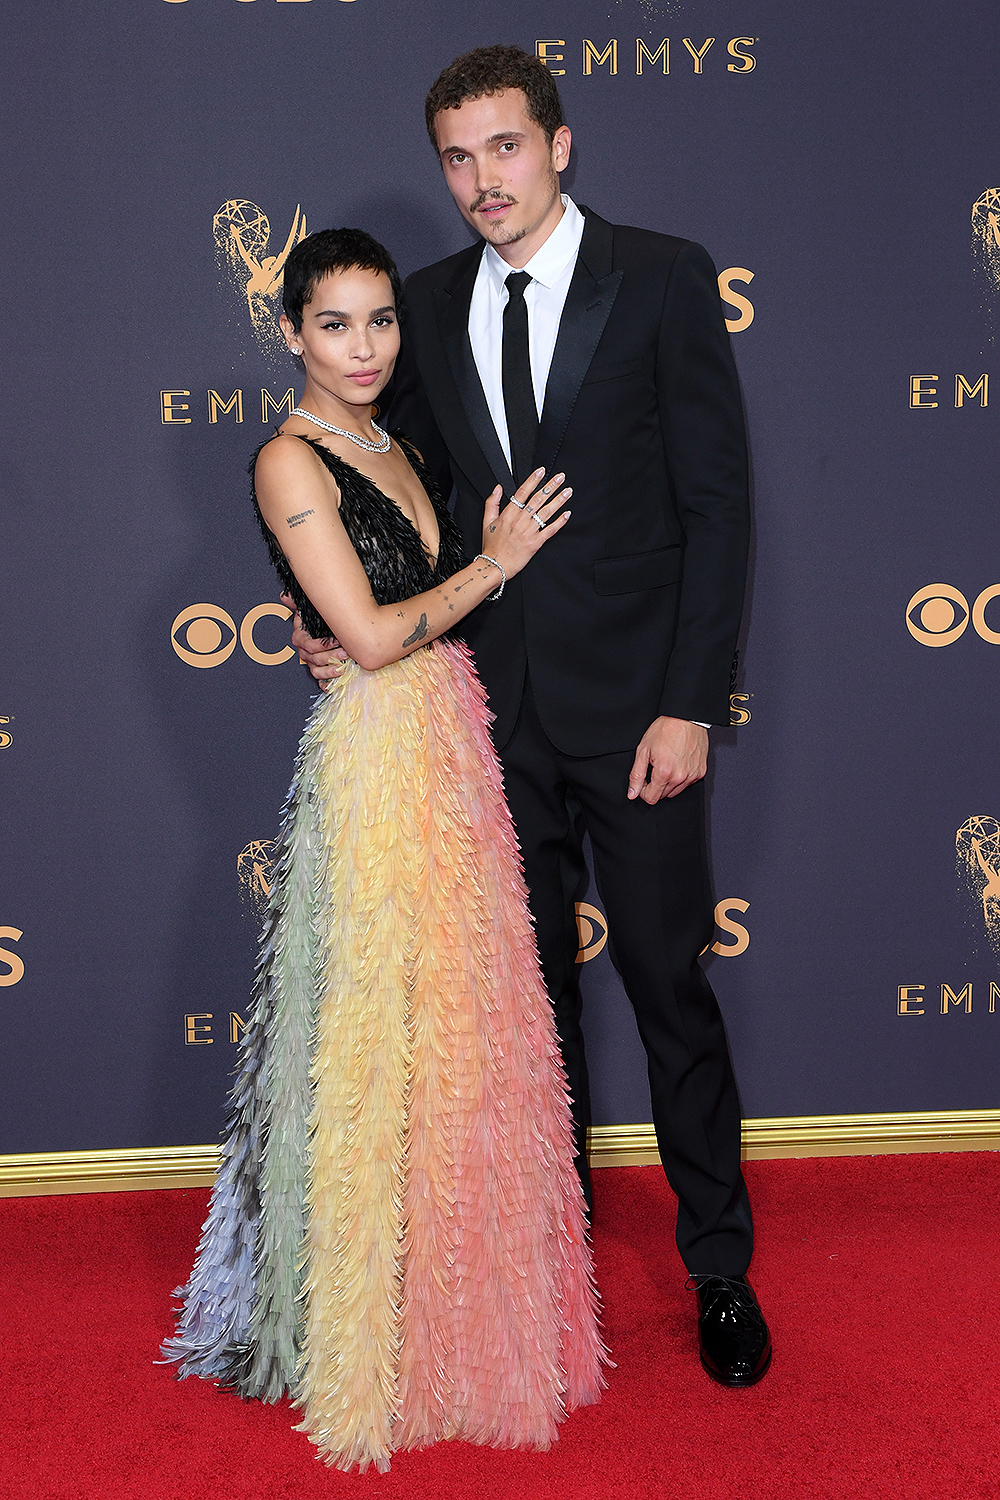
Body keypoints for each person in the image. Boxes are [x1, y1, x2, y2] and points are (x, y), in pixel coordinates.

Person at [293, 46, 772, 1388]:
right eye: (458, 156)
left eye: (505, 147)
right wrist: (317, 616)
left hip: (638, 728)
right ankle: (544, 1277)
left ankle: (721, 1271)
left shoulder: (668, 278)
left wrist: (692, 706)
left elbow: (718, 507)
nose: (483, 179)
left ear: (560, 144)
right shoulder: (425, 307)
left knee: (670, 994)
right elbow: (390, 499)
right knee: (520, 1020)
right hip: (482, 729)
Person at [162, 227, 606, 1473]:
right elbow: (363, 639)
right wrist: (495, 566)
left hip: (449, 744)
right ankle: (363, 1333)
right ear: (291, 332)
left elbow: (386, 624)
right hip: (375, 761)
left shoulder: (391, 440)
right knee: (375, 1043)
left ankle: (461, 1322)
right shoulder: (286, 459)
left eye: (380, 323)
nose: (363, 348)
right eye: (336, 325)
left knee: (462, 1034)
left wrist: (448, 594)